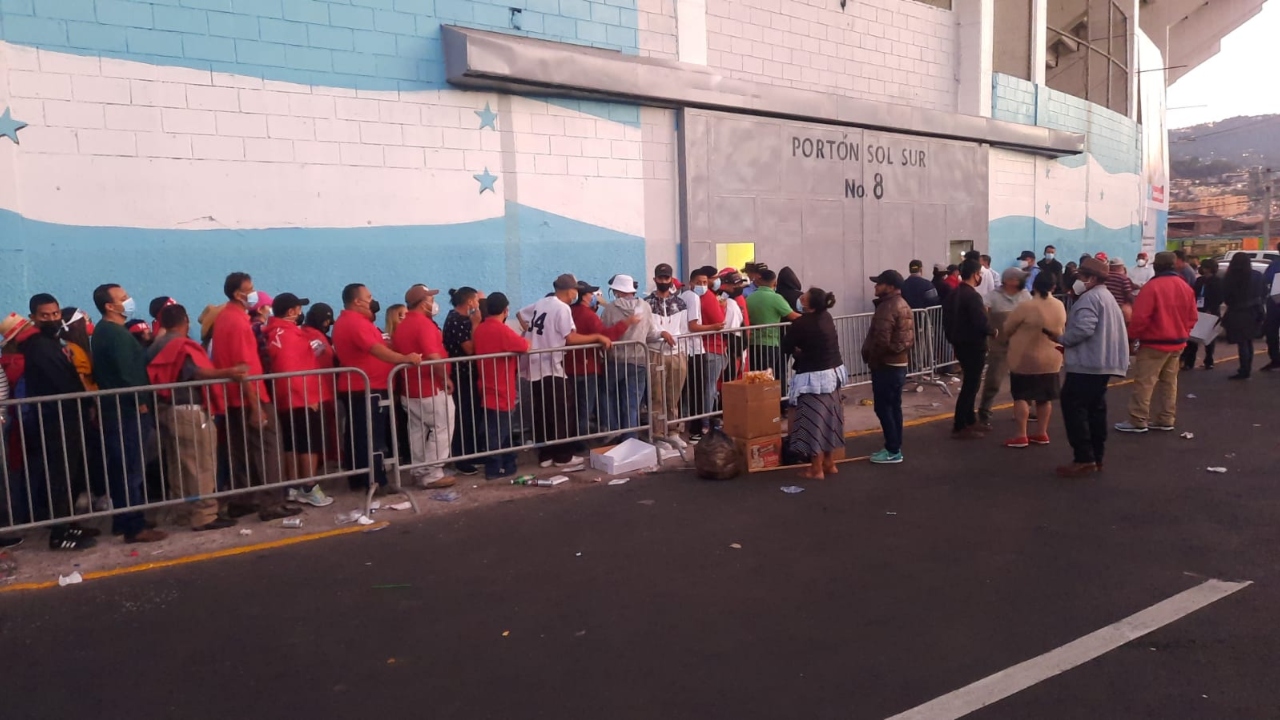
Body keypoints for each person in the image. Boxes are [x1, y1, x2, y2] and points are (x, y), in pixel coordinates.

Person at [211, 272, 303, 521]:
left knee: (243, 450)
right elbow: (243, 368)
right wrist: (256, 406)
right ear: (238, 294)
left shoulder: (225, 318)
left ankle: (244, 499)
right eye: (250, 289)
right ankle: (272, 502)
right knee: (268, 449)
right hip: (249, 396)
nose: (254, 293)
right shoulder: (238, 323)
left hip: (234, 397)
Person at [147, 304, 243, 531]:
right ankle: (205, 515)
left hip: (165, 409)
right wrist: (228, 372)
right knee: (201, 464)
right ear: (185, 321)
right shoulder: (181, 345)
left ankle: (183, 513)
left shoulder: (156, 345)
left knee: (178, 465)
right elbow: (196, 372)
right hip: (188, 409)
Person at [13, 295, 99, 549]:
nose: (51, 319)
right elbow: (63, 380)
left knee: (69, 474)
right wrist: (84, 400)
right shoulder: (40, 346)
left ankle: (69, 524)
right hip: (56, 419)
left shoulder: (50, 343)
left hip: (66, 417)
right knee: (60, 476)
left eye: (54, 314)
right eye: (44, 315)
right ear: (33, 318)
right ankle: (60, 535)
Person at [90, 284, 167, 544]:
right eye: (123, 298)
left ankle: (123, 520)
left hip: (118, 409)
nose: (128, 300)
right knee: (130, 469)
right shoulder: (115, 334)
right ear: (110, 306)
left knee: (122, 467)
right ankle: (134, 526)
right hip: (127, 410)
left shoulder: (106, 332)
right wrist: (141, 401)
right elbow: (127, 372)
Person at [333, 283, 422, 490]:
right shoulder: (354, 323)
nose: (372, 300)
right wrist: (404, 358)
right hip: (366, 387)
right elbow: (376, 350)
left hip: (366, 385)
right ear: (357, 301)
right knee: (369, 437)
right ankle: (373, 480)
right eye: (369, 296)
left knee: (362, 435)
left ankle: (363, 478)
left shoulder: (356, 321)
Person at [518, 274, 612, 466]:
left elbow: (521, 313)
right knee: (561, 414)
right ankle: (562, 457)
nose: (576, 294)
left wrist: (532, 334)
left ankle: (545, 455)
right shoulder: (562, 308)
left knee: (542, 414)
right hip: (552, 367)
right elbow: (570, 338)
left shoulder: (542, 302)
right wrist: (597, 337)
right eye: (575, 290)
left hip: (535, 366)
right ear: (570, 290)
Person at [1050, 257, 1129, 476]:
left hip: (1087, 364)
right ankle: (1096, 456)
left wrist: (1061, 338)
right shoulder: (1105, 296)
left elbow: (1083, 329)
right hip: (1100, 363)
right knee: (1095, 410)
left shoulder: (1089, 299)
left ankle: (1084, 458)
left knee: (1075, 408)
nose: (1079, 281)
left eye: (1082, 277)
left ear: (1091, 278)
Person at [262, 293, 334, 506]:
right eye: (298, 308)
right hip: (301, 398)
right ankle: (308, 486)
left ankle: (294, 486)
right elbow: (289, 369)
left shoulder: (278, 333)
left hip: (291, 397)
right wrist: (306, 397)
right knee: (307, 445)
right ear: (291, 312)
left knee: (293, 445)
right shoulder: (285, 334)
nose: (301, 312)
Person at [1117, 252, 1198, 433]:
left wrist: (1131, 338)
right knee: (1169, 383)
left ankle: (1138, 419)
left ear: (1156, 266)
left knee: (1145, 383)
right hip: (1177, 343)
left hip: (1154, 343)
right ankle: (1166, 418)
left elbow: (1140, 318)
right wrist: (1183, 332)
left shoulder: (1152, 287)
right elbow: (1193, 316)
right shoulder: (1184, 287)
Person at [392, 284, 457, 488]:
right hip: (430, 387)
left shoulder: (402, 325)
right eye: (429, 298)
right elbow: (433, 355)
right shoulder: (424, 324)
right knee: (442, 427)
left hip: (410, 388)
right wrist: (444, 377)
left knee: (417, 431)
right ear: (422, 303)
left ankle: (419, 471)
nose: (432, 302)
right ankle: (432, 473)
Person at [781, 287, 846, 479]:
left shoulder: (802, 323)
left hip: (813, 379)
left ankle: (815, 468)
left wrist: (799, 352)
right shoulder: (827, 317)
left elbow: (786, 346)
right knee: (829, 420)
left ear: (808, 304)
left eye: (803, 297)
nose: (800, 298)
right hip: (833, 374)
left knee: (812, 422)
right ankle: (829, 462)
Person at [1001, 272, 1067, 448]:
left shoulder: (1026, 306)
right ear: (1054, 287)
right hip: (1052, 358)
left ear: (1034, 286)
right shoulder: (1060, 305)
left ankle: (1021, 435)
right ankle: (1041, 433)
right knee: (1044, 398)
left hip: (1024, 358)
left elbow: (1008, 328)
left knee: (1021, 395)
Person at [472, 293, 530, 479]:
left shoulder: (480, 329)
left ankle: (506, 462)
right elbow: (523, 346)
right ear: (506, 310)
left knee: (494, 429)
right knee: (500, 431)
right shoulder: (501, 330)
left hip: (487, 386)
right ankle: (495, 467)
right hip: (502, 389)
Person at [567, 280, 632, 444]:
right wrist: (626, 323)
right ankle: (580, 443)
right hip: (587, 367)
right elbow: (606, 335)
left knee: (572, 408)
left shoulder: (569, 311)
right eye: (591, 293)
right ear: (585, 296)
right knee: (584, 409)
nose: (594, 296)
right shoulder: (588, 315)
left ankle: (572, 441)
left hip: (569, 366)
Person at [862, 271, 914, 464]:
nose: (875, 287)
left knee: (884, 407)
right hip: (898, 364)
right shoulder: (902, 303)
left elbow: (881, 340)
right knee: (894, 406)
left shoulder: (888, 306)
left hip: (887, 365)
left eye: (879, 284)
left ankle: (892, 449)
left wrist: (873, 359)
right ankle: (894, 446)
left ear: (890, 287)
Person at [942, 259, 994, 439]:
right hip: (973, 345)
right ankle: (960, 423)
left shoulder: (953, 294)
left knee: (971, 383)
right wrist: (992, 331)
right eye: (979, 273)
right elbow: (980, 321)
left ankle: (970, 420)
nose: (980, 277)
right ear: (974, 274)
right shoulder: (972, 296)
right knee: (971, 385)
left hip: (960, 344)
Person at [600, 274, 655, 439]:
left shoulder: (610, 309)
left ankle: (613, 431)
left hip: (616, 360)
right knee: (632, 403)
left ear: (616, 290)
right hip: (638, 359)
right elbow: (651, 333)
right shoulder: (645, 307)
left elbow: (604, 333)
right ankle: (630, 438)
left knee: (607, 395)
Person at [645, 263, 692, 449]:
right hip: (655, 354)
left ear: (671, 279)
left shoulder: (680, 303)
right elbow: (648, 331)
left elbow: (684, 329)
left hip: (677, 354)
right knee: (657, 397)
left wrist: (683, 352)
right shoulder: (647, 304)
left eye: (667, 278)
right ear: (655, 279)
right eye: (660, 278)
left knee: (674, 396)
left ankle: (673, 431)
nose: (663, 281)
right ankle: (657, 434)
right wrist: (660, 335)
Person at [977, 267, 1030, 428]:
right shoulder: (993, 297)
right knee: (993, 380)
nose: (1022, 282)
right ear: (1009, 281)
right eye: (1019, 279)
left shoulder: (1025, 295)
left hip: (1021, 346)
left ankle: (1025, 410)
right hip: (999, 347)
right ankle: (984, 413)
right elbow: (983, 313)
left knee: (1024, 380)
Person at [679, 267, 726, 440]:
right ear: (691, 282)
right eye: (699, 282)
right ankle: (702, 426)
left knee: (695, 390)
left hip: (694, 349)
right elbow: (716, 322)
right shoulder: (696, 298)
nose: (703, 285)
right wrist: (714, 327)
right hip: (705, 348)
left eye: (705, 282)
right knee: (706, 390)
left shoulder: (687, 296)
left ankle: (691, 424)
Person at [442, 287, 483, 476]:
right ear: (469, 302)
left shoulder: (460, 318)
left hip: (469, 375)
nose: (478, 304)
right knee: (463, 417)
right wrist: (475, 324)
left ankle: (473, 452)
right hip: (461, 375)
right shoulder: (458, 321)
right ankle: (462, 457)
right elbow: (470, 349)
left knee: (472, 416)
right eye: (476, 300)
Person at [745, 267, 801, 405]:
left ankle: (756, 404)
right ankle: (770, 406)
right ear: (774, 283)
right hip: (770, 342)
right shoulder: (776, 298)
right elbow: (793, 316)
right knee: (770, 375)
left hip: (752, 342)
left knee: (757, 375)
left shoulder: (750, 297)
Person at [1221, 253, 1267, 380]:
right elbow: (1264, 292)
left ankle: (1244, 370)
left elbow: (1226, 296)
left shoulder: (1230, 277)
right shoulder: (1257, 275)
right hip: (1255, 311)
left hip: (1238, 311)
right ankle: (1247, 368)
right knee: (1249, 341)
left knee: (1242, 342)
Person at [1182, 259, 1224, 371]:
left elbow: (1219, 297)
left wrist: (1211, 308)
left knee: (1209, 338)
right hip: (1198, 310)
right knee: (1193, 338)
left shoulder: (1218, 281)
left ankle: (1209, 361)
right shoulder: (1199, 280)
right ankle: (1189, 362)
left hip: (1211, 311)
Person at [1262, 243, 1280, 372]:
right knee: (1271, 332)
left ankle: (1275, 359)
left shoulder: (1274, 265)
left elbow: (1266, 281)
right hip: (1274, 304)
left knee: (1271, 332)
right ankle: (1275, 360)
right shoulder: (1274, 265)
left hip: (1274, 304)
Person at [1104, 257, 1135, 323]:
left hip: (1105, 307)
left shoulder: (1104, 277)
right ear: (1120, 267)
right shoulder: (1123, 278)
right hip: (1119, 308)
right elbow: (1128, 294)